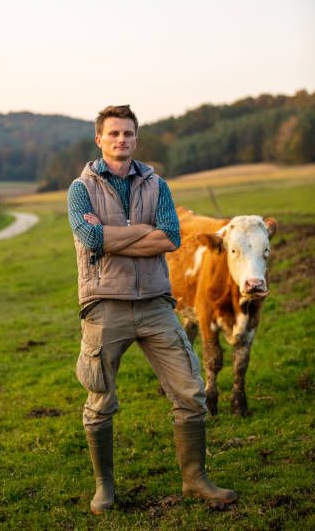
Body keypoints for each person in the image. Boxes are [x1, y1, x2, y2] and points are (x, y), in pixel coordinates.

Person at [67, 104, 237, 514]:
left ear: (136, 138)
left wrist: (118, 237)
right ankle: (104, 486)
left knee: (191, 393)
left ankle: (195, 480)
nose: (121, 140)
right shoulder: (81, 189)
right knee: (100, 401)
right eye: (113, 134)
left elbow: (171, 238)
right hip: (105, 305)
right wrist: (143, 231)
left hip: (158, 305)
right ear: (99, 139)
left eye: (128, 133)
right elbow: (90, 237)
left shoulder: (156, 184)